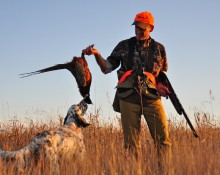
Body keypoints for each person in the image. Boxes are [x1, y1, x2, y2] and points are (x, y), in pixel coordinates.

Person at [83, 11, 172, 172]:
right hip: (128, 97)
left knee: (163, 140)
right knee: (131, 144)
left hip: (151, 98)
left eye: (142, 28)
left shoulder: (160, 49)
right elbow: (106, 68)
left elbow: (161, 77)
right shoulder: (124, 45)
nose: (138, 30)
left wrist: (160, 86)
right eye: (136, 27)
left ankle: (164, 171)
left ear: (151, 28)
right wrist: (96, 55)